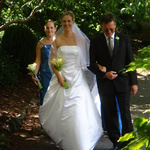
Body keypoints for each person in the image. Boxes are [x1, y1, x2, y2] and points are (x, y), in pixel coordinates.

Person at [39, 11, 103, 150]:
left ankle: (81, 144)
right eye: (64, 21)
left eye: (69, 21)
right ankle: (66, 141)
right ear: (61, 23)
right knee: (64, 112)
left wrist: (98, 68)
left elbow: (88, 61)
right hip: (63, 79)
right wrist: (59, 76)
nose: (67, 24)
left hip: (78, 79)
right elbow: (53, 62)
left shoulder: (81, 39)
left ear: (73, 22)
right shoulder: (57, 40)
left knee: (78, 110)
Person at [88, 12, 138, 149]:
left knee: (125, 113)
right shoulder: (95, 41)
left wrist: (134, 83)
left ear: (115, 25)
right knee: (110, 114)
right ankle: (116, 142)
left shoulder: (124, 39)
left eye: (111, 29)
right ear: (101, 27)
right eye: (106, 30)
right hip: (105, 84)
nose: (109, 32)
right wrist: (104, 74)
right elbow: (91, 64)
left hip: (123, 83)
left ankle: (128, 142)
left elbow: (130, 62)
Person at [31, 19, 56, 106]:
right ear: (44, 29)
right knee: (45, 98)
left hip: (57, 74)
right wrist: (34, 73)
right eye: (47, 28)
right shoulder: (40, 43)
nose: (50, 30)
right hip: (45, 75)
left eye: (51, 28)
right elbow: (38, 60)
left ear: (55, 29)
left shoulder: (59, 41)